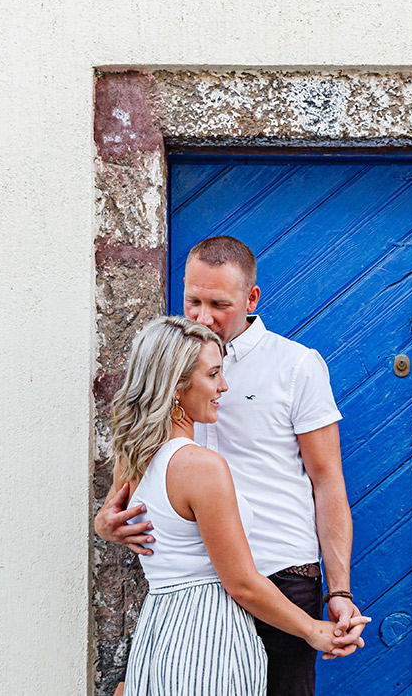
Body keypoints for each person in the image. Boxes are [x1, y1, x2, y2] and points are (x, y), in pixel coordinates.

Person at [97, 236, 363, 696]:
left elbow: (327, 481)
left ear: (251, 299)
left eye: (218, 304)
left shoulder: (296, 366)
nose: (202, 316)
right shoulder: (165, 368)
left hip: (280, 576)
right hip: (196, 590)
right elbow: (130, 478)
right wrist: (106, 522)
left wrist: (338, 591)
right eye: (192, 300)